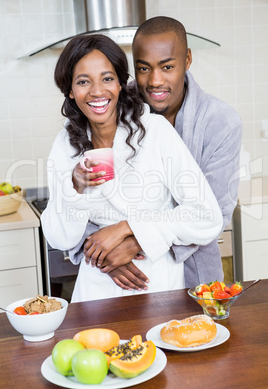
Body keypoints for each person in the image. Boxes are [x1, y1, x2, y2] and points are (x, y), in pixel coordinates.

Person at [41, 34, 223, 302]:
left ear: (119, 83)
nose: (97, 91)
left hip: (158, 285)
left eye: (107, 78)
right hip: (96, 290)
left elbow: (207, 217)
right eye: (83, 82)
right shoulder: (66, 145)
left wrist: (129, 229)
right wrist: (74, 188)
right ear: (70, 90)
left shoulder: (155, 132)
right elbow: (60, 239)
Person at [72, 16, 242, 290]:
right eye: (143, 68)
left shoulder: (220, 122)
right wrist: (109, 256)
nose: (155, 81)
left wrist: (133, 236)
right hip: (118, 275)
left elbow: (214, 213)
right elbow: (90, 198)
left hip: (194, 274)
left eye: (167, 66)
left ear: (187, 60)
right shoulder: (110, 106)